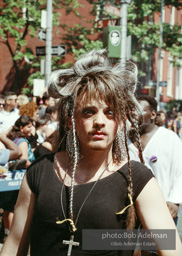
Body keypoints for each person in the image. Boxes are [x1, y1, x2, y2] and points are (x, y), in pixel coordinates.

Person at [1, 50, 181, 256]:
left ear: (121, 121)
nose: (100, 122)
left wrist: (108, 238)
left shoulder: (138, 178)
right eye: (89, 112)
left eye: (110, 112)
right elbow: (14, 246)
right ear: (71, 120)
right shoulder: (39, 173)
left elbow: (171, 248)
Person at [129, 95, 182, 224]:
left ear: (153, 114)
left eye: (140, 110)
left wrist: (174, 201)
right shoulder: (124, 140)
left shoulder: (170, 138)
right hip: (130, 212)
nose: (134, 114)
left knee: (163, 244)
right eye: (132, 110)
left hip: (163, 210)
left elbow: (179, 172)